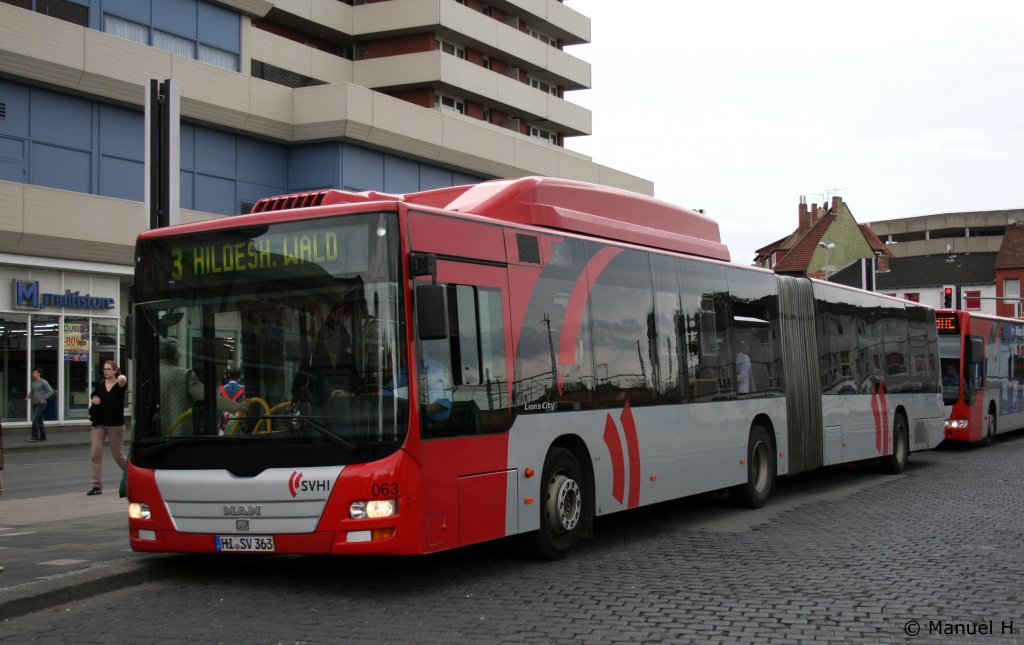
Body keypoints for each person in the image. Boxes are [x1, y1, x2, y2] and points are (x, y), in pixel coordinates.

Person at [159, 338, 243, 436]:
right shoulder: (185, 375)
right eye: (178, 352)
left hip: (156, 439)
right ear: (174, 355)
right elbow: (210, 398)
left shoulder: (149, 375)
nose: (180, 355)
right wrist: (239, 407)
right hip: (179, 437)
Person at [86, 360, 128, 496]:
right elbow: (95, 395)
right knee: (95, 454)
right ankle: (96, 486)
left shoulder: (120, 384)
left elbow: (123, 379)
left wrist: (120, 375)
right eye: (104, 369)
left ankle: (133, 476)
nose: (106, 371)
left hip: (115, 425)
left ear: (115, 370)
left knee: (118, 456)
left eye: (109, 369)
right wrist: (94, 400)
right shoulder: (100, 383)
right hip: (99, 423)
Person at [27, 368, 54, 442]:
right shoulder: (33, 382)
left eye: (35, 373)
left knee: (34, 418)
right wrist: (28, 396)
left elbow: (50, 391)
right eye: (33, 373)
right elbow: (32, 391)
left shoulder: (44, 382)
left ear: (39, 374)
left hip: (41, 404)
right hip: (35, 403)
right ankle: (43, 437)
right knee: (39, 420)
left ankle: (35, 436)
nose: (33, 374)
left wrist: (44, 398)